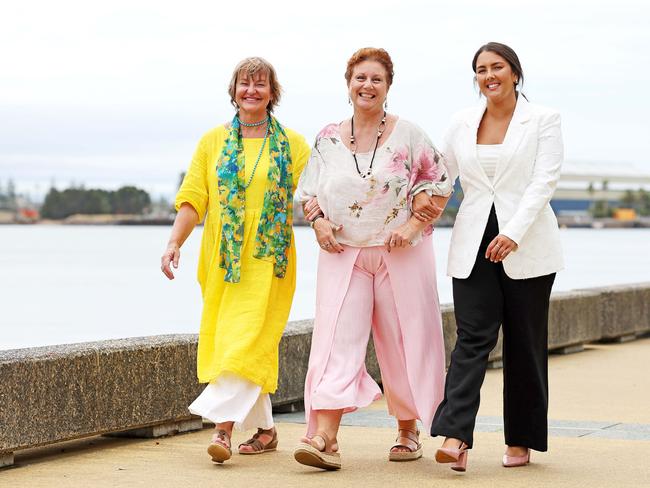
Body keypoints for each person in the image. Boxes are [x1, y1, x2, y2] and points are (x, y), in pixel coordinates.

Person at [293, 47, 453, 471]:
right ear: (348, 84)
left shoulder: (410, 134)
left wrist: (414, 227)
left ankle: (407, 428)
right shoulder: (327, 136)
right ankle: (324, 436)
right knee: (335, 342)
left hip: (399, 254)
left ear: (388, 87)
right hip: (343, 253)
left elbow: (440, 181)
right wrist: (318, 223)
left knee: (402, 341)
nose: (367, 85)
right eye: (360, 78)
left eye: (376, 79)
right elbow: (308, 192)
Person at [160, 57, 310, 464]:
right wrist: (175, 242)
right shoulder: (212, 142)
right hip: (223, 261)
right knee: (236, 342)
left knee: (245, 342)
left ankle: (221, 431)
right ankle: (265, 430)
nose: (252, 91)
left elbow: (316, 195)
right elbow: (194, 199)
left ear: (272, 93)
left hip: (269, 260)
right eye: (245, 84)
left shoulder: (293, 145)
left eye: (260, 85)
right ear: (234, 91)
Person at [423, 42, 564, 471]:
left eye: (497, 67)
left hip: (527, 241)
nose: (489, 75)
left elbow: (545, 181)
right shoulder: (461, 122)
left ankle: (520, 440)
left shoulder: (543, 120)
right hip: (473, 240)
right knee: (472, 337)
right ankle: (455, 435)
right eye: (481, 69)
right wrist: (415, 213)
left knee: (524, 343)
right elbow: (438, 175)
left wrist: (514, 233)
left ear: (515, 72)